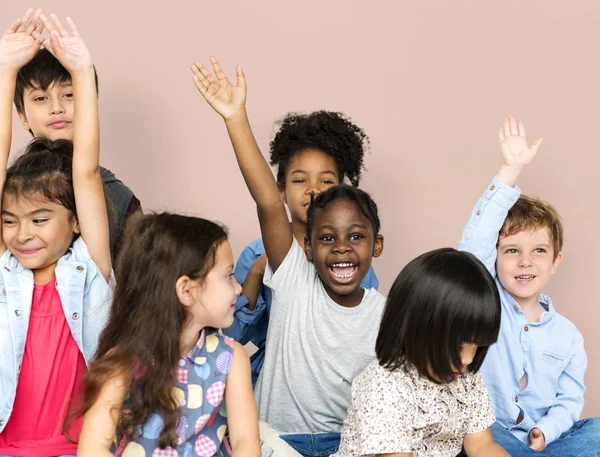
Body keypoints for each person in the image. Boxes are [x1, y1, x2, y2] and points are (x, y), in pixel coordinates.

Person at [193, 57, 385, 457]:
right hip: (277, 437)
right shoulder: (292, 271)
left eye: (355, 237)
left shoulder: (383, 308)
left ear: (376, 246)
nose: (343, 248)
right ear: (310, 249)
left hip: (346, 440)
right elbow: (266, 200)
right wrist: (235, 119)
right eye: (329, 238)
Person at [0, 10, 113, 457]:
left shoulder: (88, 270)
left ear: (77, 222)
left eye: (40, 219)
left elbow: (83, 171)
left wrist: (82, 72)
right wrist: (6, 71)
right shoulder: (5, 275)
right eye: (9, 221)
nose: (22, 234)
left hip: (82, 449)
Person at [457, 115, 600, 456]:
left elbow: (569, 401)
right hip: (489, 436)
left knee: (595, 430)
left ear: (555, 261)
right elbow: (474, 245)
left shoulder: (568, 336)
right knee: (477, 434)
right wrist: (510, 170)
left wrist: (545, 432)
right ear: (494, 258)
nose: (525, 262)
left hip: (542, 444)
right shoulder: (487, 302)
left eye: (538, 251)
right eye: (511, 251)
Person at [224, 110, 378, 386]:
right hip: (276, 381)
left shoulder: (353, 262)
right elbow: (231, 336)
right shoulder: (256, 253)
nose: (313, 190)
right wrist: (258, 272)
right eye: (300, 180)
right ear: (280, 190)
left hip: (338, 385)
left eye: (326, 181)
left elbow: (366, 334)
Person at [333, 248, 509, 457]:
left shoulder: (467, 378)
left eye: (477, 346)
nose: (468, 359)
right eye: (458, 346)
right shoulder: (384, 386)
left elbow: (482, 445)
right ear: (418, 329)